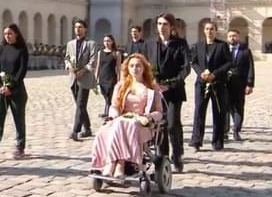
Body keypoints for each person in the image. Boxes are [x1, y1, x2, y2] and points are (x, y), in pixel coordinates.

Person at [91, 53, 163, 179]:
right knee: (103, 131)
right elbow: (114, 106)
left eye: (138, 66)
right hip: (121, 119)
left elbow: (159, 112)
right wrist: (115, 115)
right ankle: (111, 162)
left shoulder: (152, 88)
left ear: (144, 68)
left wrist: (149, 117)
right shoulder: (121, 86)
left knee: (125, 124)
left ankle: (119, 164)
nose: (135, 69)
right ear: (127, 68)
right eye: (132, 66)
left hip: (141, 124)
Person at [145, 13, 190, 172]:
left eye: (165, 24)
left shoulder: (180, 44)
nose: (161, 27)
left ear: (172, 27)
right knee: (160, 126)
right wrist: (152, 81)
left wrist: (171, 84)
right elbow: (146, 65)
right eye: (159, 23)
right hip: (157, 92)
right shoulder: (151, 44)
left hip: (174, 91)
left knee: (172, 124)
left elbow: (185, 68)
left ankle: (177, 155)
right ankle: (162, 157)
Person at [0, 24, 29, 160]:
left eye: (10, 34)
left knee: (19, 119)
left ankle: (20, 147)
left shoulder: (22, 50)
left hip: (17, 90)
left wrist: (11, 87)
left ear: (16, 34)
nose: (7, 36)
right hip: (1, 89)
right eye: (5, 34)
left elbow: (22, 71)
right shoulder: (2, 49)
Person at [190, 21, 232, 151]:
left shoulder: (222, 45)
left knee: (219, 112)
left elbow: (228, 62)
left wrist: (215, 74)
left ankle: (217, 141)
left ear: (216, 31)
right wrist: (200, 73)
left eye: (212, 29)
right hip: (201, 83)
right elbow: (194, 62)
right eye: (207, 29)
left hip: (217, 83)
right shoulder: (198, 46)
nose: (209, 31)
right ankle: (196, 140)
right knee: (199, 111)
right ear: (204, 31)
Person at [65, 19, 97, 141]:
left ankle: (75, 131)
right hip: (73, 78)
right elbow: (67, 58)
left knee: (80, 104)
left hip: (85, 78)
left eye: (80, 27)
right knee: (81, 106)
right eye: (76, 27)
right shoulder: (70, 44)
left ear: (85, 29)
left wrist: (83, 71)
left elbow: (93, 60)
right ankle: (87, 128)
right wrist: (70, 68)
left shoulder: (91, 44)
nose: (77, 29)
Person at [225, 29, 255, 141]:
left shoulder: (246, 51)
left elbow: (251, 68)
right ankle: (224, 131)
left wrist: (250, 84)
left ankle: (236, 130)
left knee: (238, 108)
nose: (232, 38)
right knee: (225, 108)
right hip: (225, 84)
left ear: (238, 37)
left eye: (234, 36)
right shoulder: (223, 50)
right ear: (227, 38)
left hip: (240, 84)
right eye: (230, 36)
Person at [95, 34, 121, 121]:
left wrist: (119, 80)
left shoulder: (116, 53)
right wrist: (96, 78)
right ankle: (107, 112)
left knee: (109, 96)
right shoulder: (100, 53)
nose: (107, 43)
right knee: (105, 95)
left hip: (111, 77)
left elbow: (118, 68)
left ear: (112, 42)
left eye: (108, 41)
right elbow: (98, 66)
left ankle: (107, 113)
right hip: (102, 77)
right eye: (105, 41)